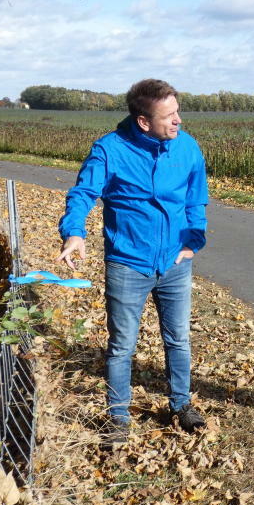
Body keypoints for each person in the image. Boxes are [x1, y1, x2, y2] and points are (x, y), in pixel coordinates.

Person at [57, 78, 208, 443]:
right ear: (144, 121)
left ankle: (181, 404)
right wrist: (74, 232)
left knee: (178, 340)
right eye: (169, 116)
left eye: (178, 112)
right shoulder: (110, 150)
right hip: (128, 264)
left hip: (174, 263)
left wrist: (194, 238)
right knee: (122, 345)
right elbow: (83, 193)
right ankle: (118, 418)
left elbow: (196, 198)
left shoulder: (186, 147)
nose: (178, 121)